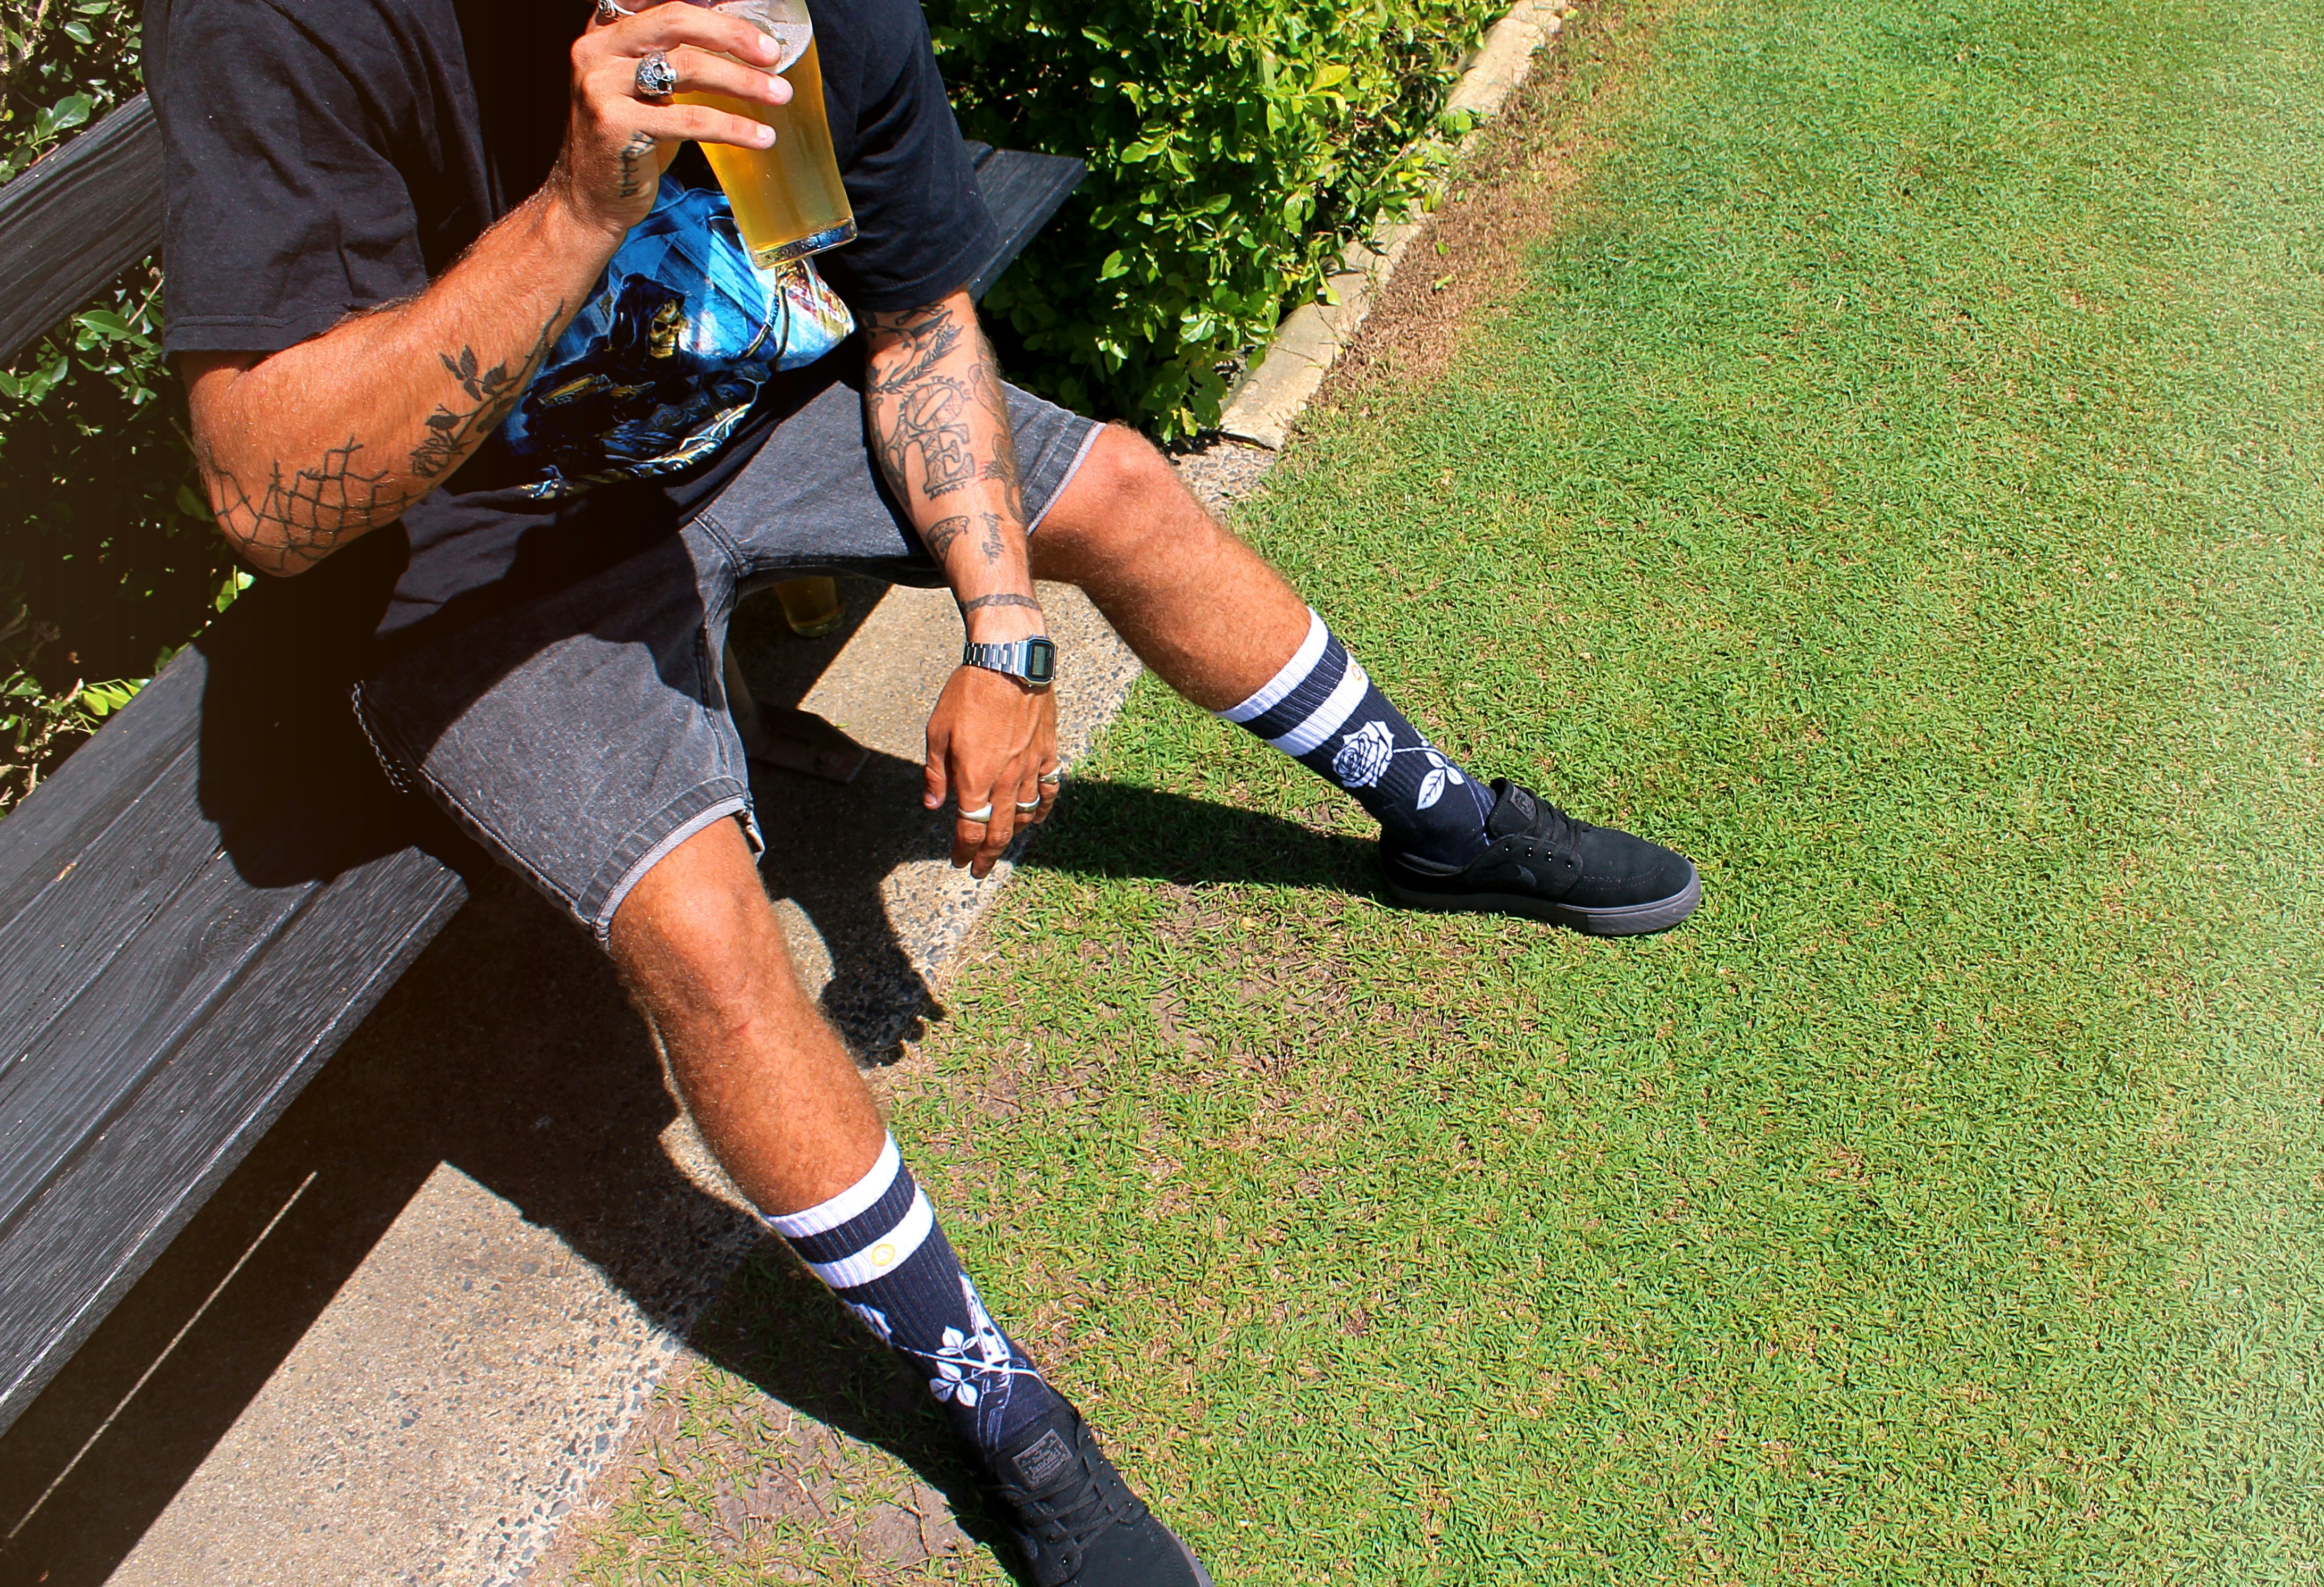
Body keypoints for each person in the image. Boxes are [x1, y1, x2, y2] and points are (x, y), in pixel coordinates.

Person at [152, 1, 1701, 1580]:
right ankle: (999, 1409)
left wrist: (1005, 630)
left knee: (1122, 488)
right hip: (475, 557)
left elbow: (914, 322)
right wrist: (575, 204)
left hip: (754, 417)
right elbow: (269, 505)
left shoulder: (795, 9)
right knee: (703, 932)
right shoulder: (292, 22)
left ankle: (1440, 819)